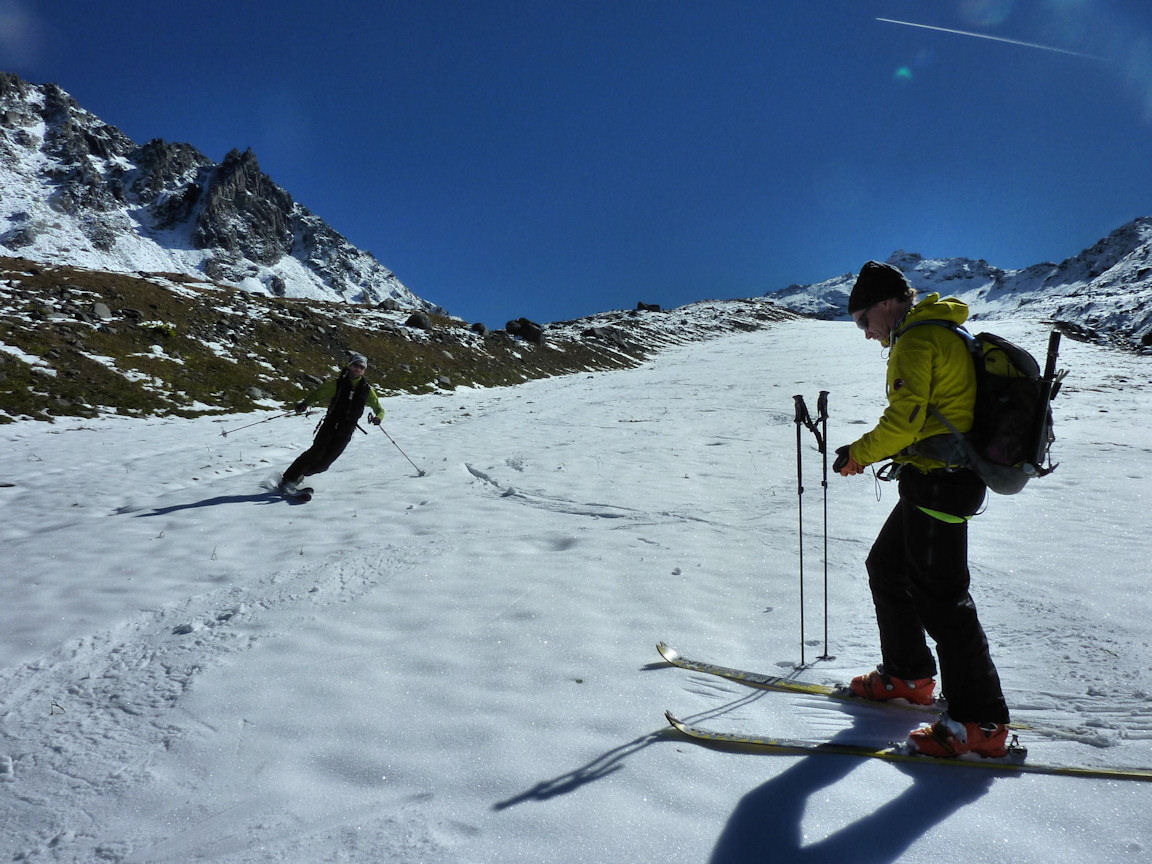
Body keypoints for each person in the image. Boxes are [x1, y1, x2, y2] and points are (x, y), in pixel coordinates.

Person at [833, 260, 1010, 758]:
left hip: (942, 485)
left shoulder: (918, 339)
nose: (866, 334)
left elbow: (904, 422)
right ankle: (908, 676)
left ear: (886, 303)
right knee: (887, 568)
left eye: (863, 320)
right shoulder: (936, 333)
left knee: (943, 601)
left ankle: (981, 723)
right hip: (933, 482)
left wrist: (858, 454)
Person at [280, 352, 384, 493]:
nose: (357, 369)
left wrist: (378, 417)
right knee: (316, 452)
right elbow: (318, 393)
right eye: (355, 365)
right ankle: (288, 479)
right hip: (330, 424)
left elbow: (379, 408)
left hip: (346, 430)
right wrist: (305, 404)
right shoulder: (338, 384)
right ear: (350, 365)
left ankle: (300, 475)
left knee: (324, 464)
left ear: (364, 370)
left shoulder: (367, 390)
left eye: (361, 367)